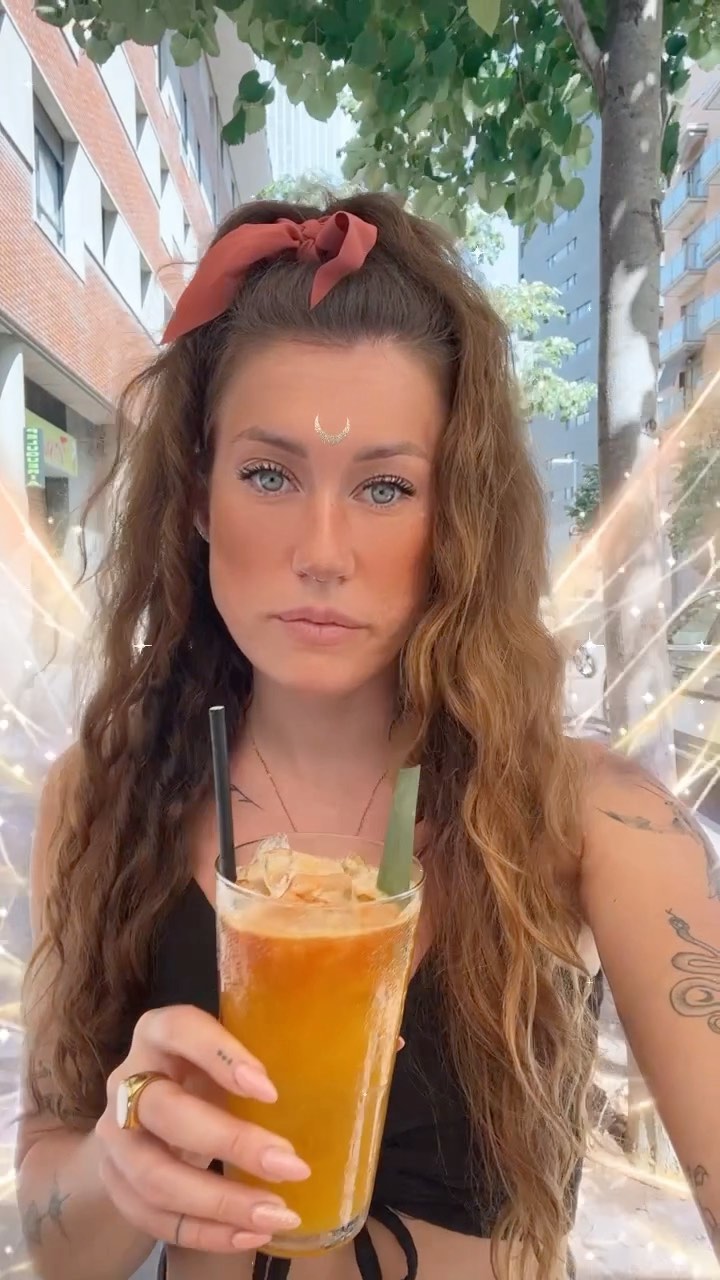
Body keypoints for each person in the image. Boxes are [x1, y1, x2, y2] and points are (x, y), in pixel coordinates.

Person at [16, 194, 720, 1280]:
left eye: (386, 486)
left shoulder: (594, 818)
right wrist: (121, 1162)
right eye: (268, 474)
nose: (323, 550)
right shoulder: (104, 795)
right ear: (198, 496)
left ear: (456, 518)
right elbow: (56, 1244)